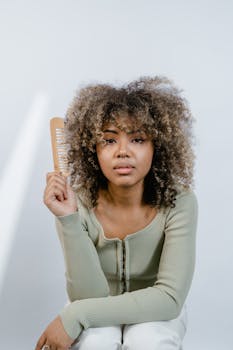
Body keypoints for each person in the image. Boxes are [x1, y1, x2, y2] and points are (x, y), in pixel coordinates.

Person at [36, 76, 198, 350]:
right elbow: (88, 295)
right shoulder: (78, 201)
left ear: (156, 146)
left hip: (155, 311)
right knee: (93, 343)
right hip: (94, 302)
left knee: (149, 340)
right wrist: (68, 219)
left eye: (137, 139)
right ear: (93, 149)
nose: (123, 152)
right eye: (109, 140)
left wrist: (75, 315)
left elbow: (170, 298)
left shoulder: (179, 201)